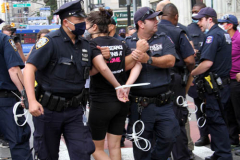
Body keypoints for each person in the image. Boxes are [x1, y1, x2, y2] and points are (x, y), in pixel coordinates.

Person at [24, 1, 96, 159]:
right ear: (66, 22)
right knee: (47, 154)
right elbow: (29, 68)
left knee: (83, 151)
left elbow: (89, 70)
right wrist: (31, 100)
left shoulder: (84, 44)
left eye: (83, 21)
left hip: (75, 110)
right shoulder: (50, 41)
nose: (83, 24)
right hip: (48, 110)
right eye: (79, 21)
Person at [86, 8, 142, 160]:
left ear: (95, 26)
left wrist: (119, 86)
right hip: (121, 101)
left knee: (95, 148)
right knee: (115, 146)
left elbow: (101, 67)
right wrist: (126, 86)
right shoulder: (120, 43)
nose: (85, 26)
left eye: (87, 23)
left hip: (101, 100)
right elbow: (138, 65)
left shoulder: (92, 44)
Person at [125, 7, 180, 160]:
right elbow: (123, 66)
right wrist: (136, 55)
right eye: (153, 19)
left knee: (169, 137)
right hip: (141, 105)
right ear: (141, 24)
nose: (157, 21)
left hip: (164, 103)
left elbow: (171, 61)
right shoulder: (128, 43)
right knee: (141, 144)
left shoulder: (164, 38)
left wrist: (148, 59)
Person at [192, 7, 233, 160]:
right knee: (219, 118)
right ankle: (219, 152)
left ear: (210, 19)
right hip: (223, 84)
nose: (198, 24)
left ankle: (223, 154)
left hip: (216, 86)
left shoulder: (213, 35)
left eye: (201, 20)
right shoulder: (223, 33)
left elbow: (207, 63)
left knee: (216, 119)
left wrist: (192, 74)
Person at [157, 3, 195, 160]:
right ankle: (181, 156)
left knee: (156, 119)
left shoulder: (152, 30)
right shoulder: (178, 31)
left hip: (154, 81)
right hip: (174, 80)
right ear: (176, 16)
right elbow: (190, 59)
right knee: (178, 120)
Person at [0, 32, 33, 159]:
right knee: (18, 141)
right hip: (5, 101)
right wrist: (25, 93)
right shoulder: (4, 40)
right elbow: (14, 69)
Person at [187, 2, 210, 148]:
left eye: (197, 12)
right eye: (193, 12)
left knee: (216, 107)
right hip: (197, 72)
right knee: (199, 106)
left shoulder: (213, 29)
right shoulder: (189, 29)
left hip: (211, 73)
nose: (195, 15)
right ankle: (203, 135)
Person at [218, 14, 240, 152]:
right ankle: (233, 140)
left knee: (239, 112)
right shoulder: (225, 39)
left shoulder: (238, 38)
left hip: (236, 80)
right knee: (229, 111)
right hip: (226, 79)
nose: (222, 26)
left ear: (230, 25)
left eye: (223, 23)